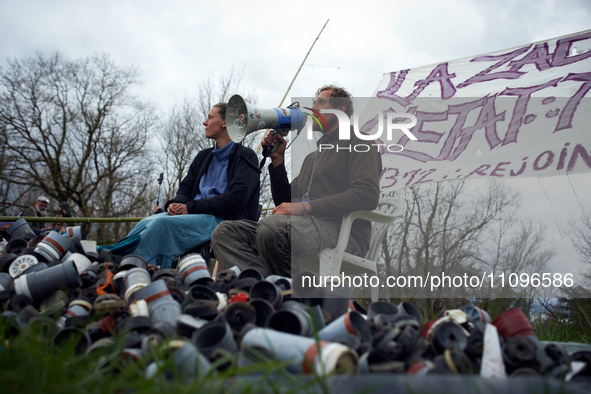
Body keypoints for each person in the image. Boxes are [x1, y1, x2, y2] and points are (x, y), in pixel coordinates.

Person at [211, 85, 382, 278]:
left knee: (272, 229)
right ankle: (264, 285)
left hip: (344, 232)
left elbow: (367, 194)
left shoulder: (359, 141)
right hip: (304, 227)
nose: (313, 107)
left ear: (340, 108)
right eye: (313, 102)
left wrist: (304, 207)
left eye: (321, 102)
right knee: (226, 232)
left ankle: (293, 294)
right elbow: (285, 201)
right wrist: (278, 162)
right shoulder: (314, 157)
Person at [98, 103, 260, 268]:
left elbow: (236, 198)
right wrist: (176, 204)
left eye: (210, 117)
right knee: (147, 222)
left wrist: (190, 207)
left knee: (161, 225)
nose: (204, 122)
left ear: (225, 122)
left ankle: (126, 262)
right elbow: (185, 189)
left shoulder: (246, 157)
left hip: (221, 220)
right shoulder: (202, 157)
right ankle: (115, 256)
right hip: (194, 214)